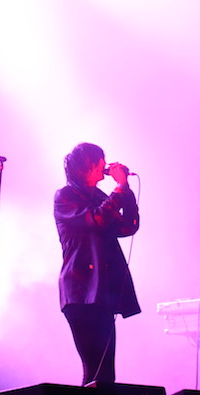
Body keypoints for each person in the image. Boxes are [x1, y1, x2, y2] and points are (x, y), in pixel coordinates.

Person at [54, 142, 140, 386]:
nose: (105, 165)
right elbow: (97, 219)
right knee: (94, 368)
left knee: (105, 373)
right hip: (80, 290)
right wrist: (120, 187)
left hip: (102, 291)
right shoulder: (65, 196)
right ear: (85, 167)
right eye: (99, 161)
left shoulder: (100, 196)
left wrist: (126, 191)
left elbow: (127, 226)